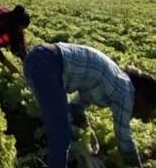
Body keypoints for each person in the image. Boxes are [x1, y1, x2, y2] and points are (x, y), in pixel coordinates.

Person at [24, 43, 156, 167]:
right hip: (48, 64)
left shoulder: (114, 82)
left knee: (63, 129)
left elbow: (76, 106)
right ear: (144, 98)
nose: (141, 116)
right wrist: (136, 165)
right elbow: (124, 138)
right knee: (61, 135)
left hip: (40, 58)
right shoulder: (125, 92)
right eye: (151, 108)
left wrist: (88, 130)